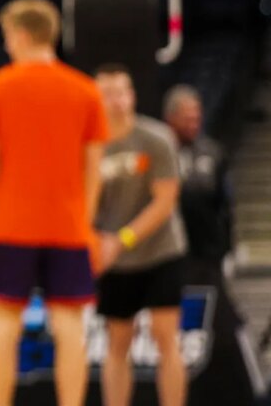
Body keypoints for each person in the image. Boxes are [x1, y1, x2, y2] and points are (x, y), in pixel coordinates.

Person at [0, 0, 107, 406]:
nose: (7, 45)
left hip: (12, 226)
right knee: (70, 328)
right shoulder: (85, 91)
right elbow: (93, 172)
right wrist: (85, 223)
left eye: (8, 36)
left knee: (4, 326)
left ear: (23, 35)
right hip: (68, 226)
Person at [93, 65, 188, 406]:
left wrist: (122, 240)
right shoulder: (89, 147)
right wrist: (98, 242)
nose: (116, 100)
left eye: (122, 92)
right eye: (108, 93)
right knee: (118, 342)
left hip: (161, 251)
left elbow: (165, 202)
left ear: (132, 95)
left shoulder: (156, 139)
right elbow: (83, 206)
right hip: (114, 259)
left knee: (166, 337)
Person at [163, 85, 232, 280]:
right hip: (168, 254)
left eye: (196, 119)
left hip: (206, 254)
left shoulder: (213, 153)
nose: (193, 124)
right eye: (187, 120)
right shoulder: (157, 153)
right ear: (171, 119)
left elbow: (225, 205)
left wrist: (227, 249)